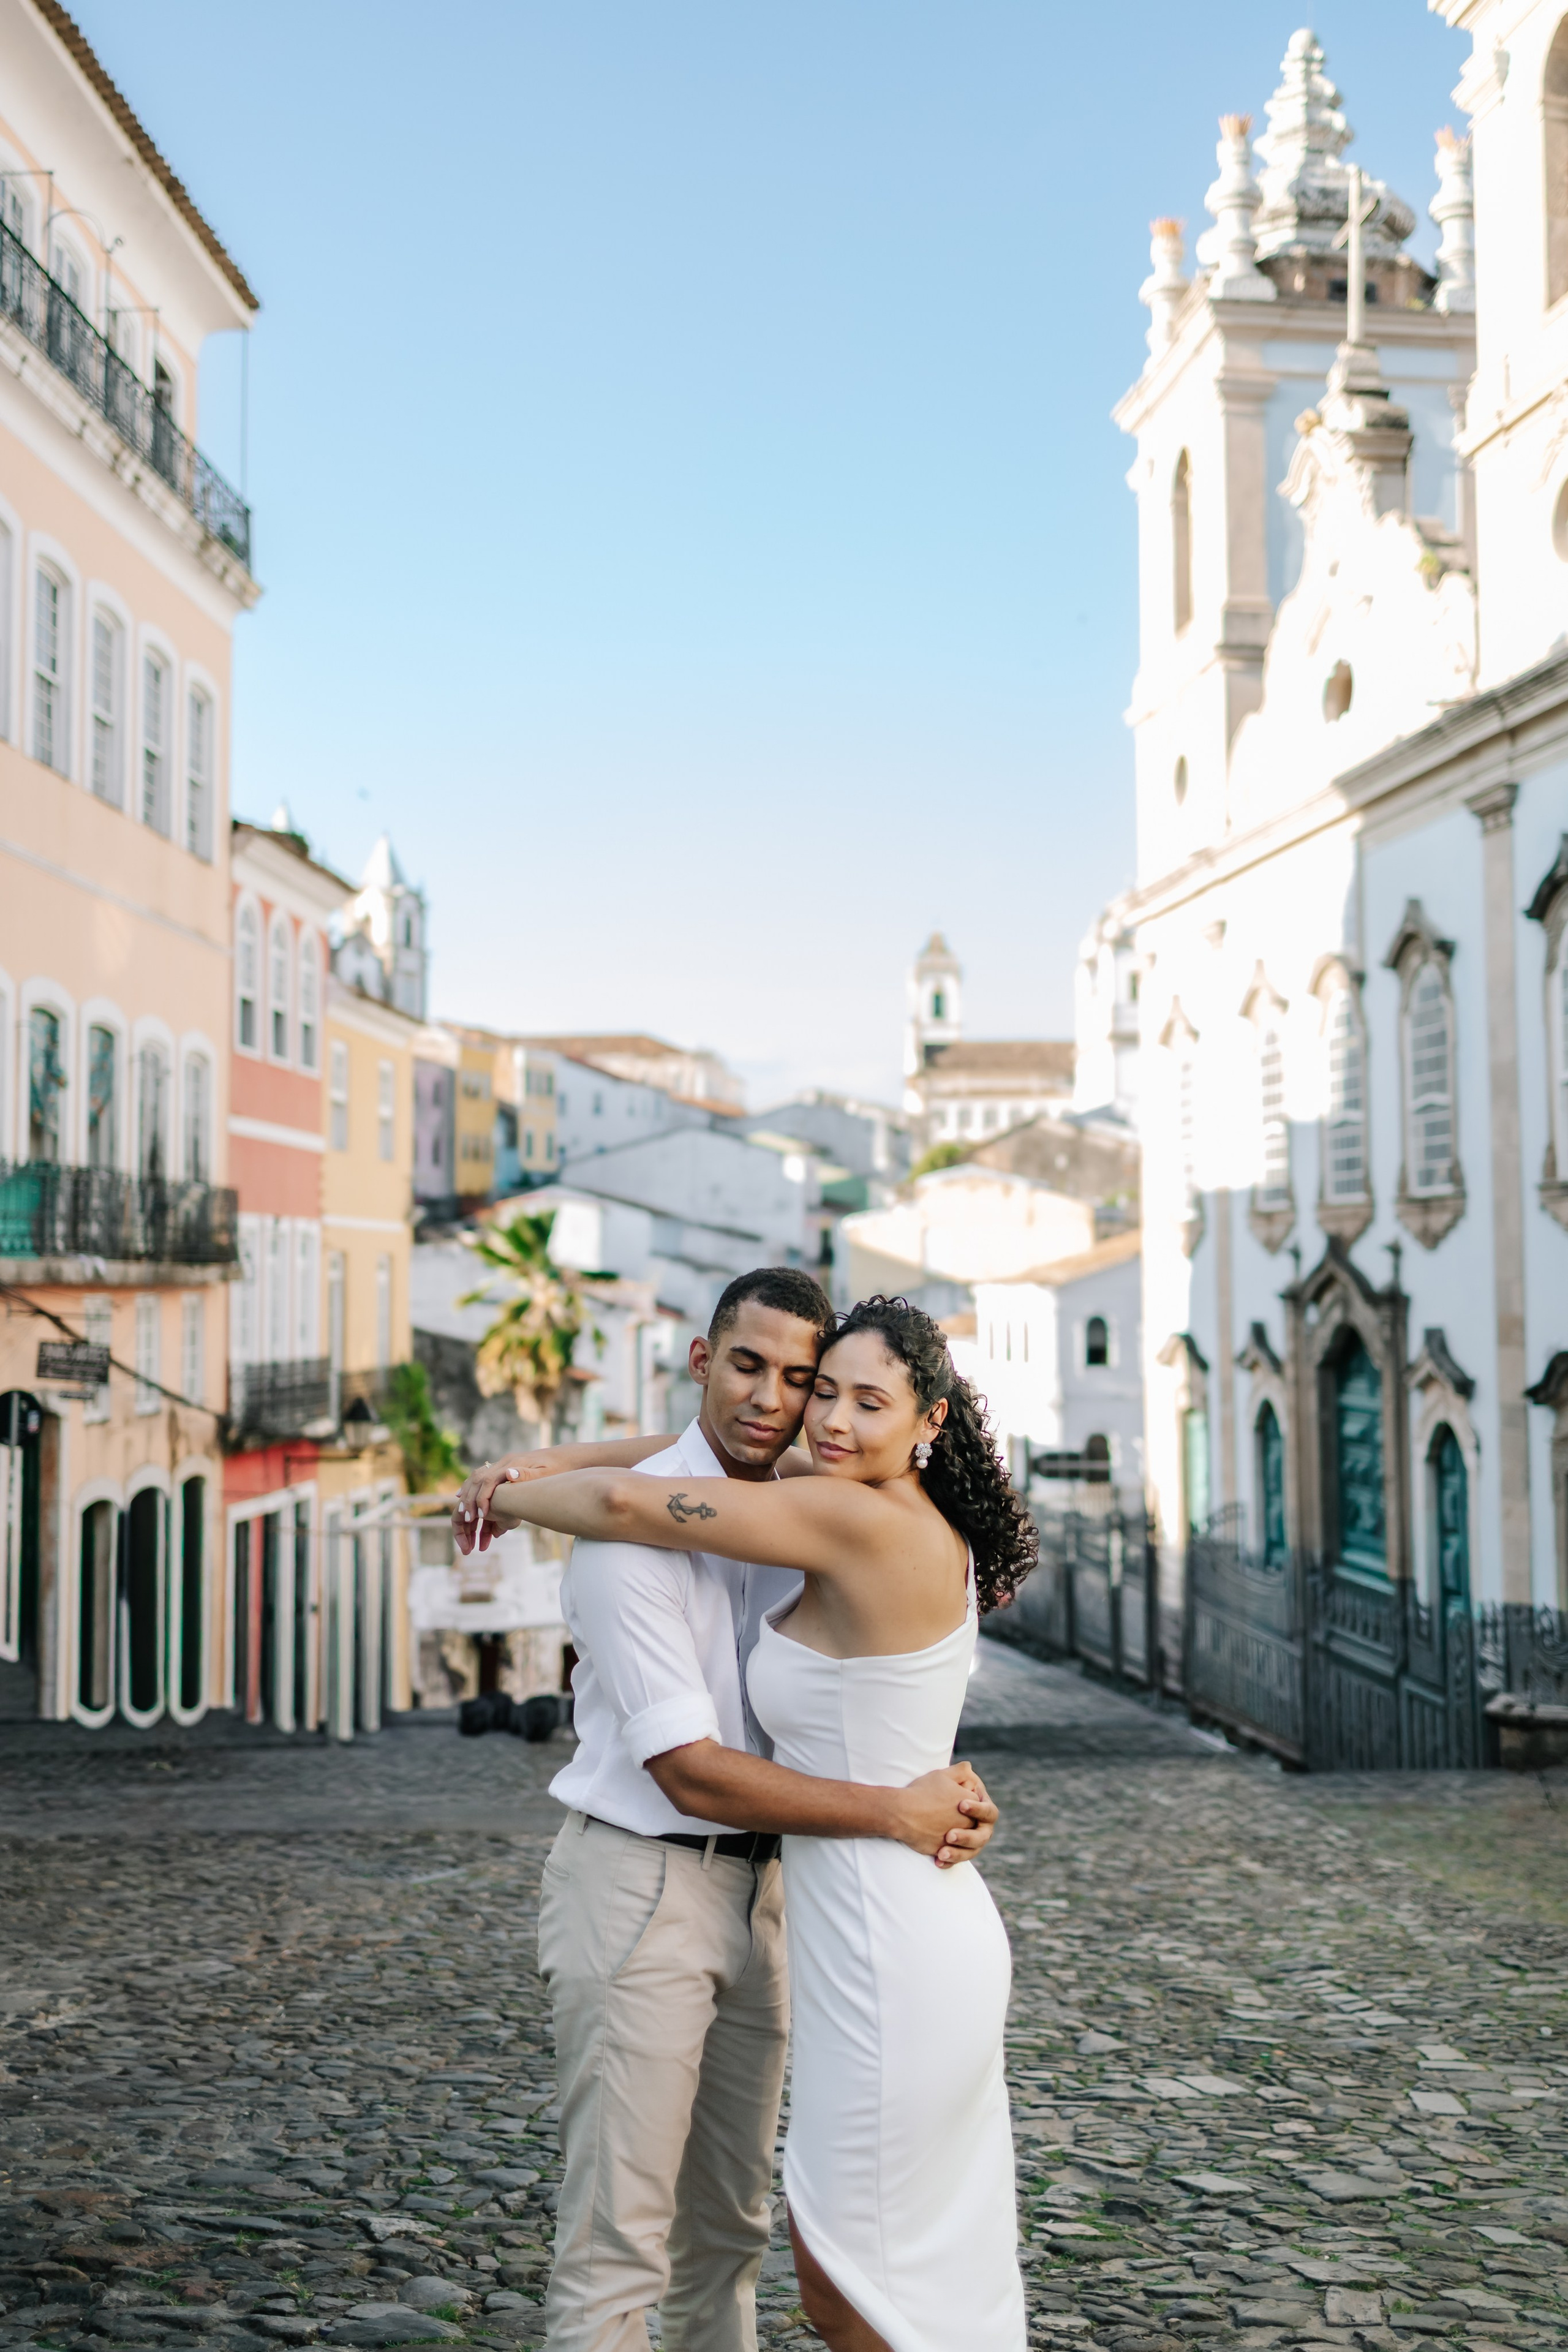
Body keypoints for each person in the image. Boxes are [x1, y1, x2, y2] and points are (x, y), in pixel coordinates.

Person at [453, 1267, 999, 2352]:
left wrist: (907, 1796)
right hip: (647, 1888)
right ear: (703, 1361)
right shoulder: (633, 1540)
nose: (785, 1402)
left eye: (808, 1381)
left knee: (733, 2237)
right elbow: (690, 1771)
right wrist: (511, 1484)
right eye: (752, 1367)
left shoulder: (811, 1496)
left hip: (785, 1895)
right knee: (621, 2247)